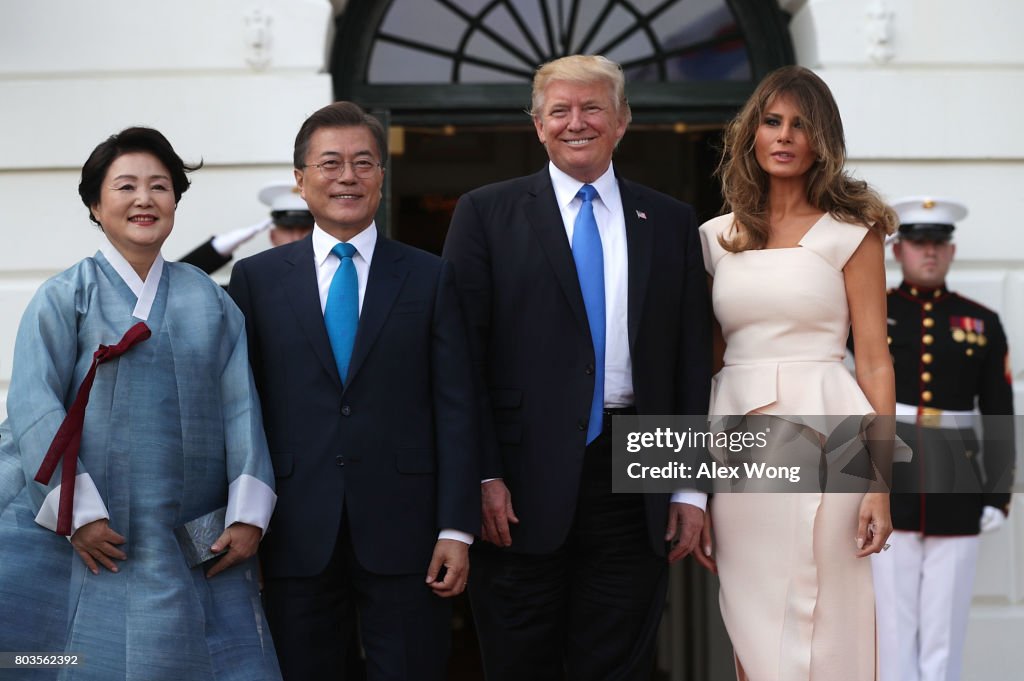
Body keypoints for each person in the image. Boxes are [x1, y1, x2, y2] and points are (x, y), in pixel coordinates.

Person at [442, 54, 712, 680]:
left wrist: (689, 486)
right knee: (520, 661)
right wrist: (481, 474)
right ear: (537, 125)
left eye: (592, 108)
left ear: (622, 121)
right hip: (516, 483)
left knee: (620, 662)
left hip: (638, 463)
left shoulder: (670, 221)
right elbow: (460, 357)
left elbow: (689, 359)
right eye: (559, 110)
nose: (576, 123)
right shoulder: (485, 213)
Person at [0, 127, 280, 680]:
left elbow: (241, 407)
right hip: (90, 530)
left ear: (176, 199)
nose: (144, 199)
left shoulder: (209, 298)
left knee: (203, 656)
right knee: (62, 657)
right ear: (94, 204)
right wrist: (76, 513)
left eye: (160, 186)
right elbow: (34, 406)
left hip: (189, 530)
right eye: (126, 186)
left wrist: (248, 515)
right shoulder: (66, 294)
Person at [228, 101, 479, 681]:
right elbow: (242, 409)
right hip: (291, 530)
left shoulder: (430, 275)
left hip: (409, 530)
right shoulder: (257, 281)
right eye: (331, 163)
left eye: (364, 163)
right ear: (301, 179)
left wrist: (455, 528)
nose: (348, 177)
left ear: (382, 179)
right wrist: (246, 522)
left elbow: (458, 406)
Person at [695, 65, 897, 680]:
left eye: (801, 125)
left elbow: (874, 360)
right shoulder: (714, 238)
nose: (784, 136)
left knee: (829, 616)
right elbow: (703, 360)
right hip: (738, 445)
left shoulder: (852, 234)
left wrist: (881, 483)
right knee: (750, 618)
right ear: (752, 133)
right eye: (772, 121)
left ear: (821, 142)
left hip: (831, 439)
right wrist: (692, 487)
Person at [870, 197, 1015, 681]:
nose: (928, 252)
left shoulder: (981, 321)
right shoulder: (872, 312)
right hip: (890, 467)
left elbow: (996, 411)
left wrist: (998, 492)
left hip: (957, 473)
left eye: (938, 243)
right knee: (891, 623)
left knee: (945, 627)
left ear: (950, 252)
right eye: (917, 243)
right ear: (898, 251)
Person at [180, 180, 315, 274]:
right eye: (288, 229)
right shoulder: (253, 284)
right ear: (272, 236)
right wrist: (218, 248)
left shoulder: (333, 278)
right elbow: (175, 284)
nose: (297, 237)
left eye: (305, 228)